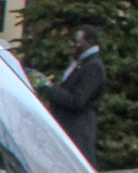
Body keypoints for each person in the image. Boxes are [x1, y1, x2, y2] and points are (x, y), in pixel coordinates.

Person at [38, 24, 106, 164]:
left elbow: (77, 101)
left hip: (77, 130)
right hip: (70, 127)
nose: (73, 44)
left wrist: (49, 87)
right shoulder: (81, 63)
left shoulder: (93, 66)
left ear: (90, 42)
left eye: (77, 41)